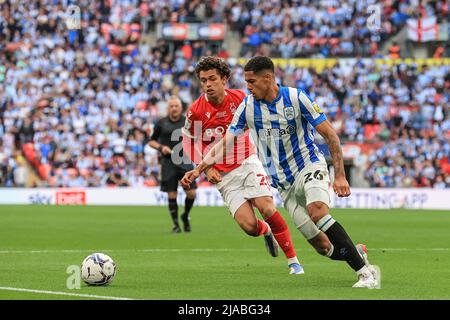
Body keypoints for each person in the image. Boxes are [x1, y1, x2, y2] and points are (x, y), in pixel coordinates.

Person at [182, 56, 381, 288]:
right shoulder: (247, 107)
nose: (247, 87)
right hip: (284, 183)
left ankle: (366, 273)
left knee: (318, 211)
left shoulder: (297, 98)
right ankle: (357, 253)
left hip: (308, 165)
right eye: (246, 82)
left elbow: (330, 135)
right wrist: (198, 170)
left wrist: (339, 175)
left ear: (268, 78)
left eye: (252, 82)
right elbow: (224, 143)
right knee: (323, 247)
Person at [182, 56, 304, 274]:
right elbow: (190, 141)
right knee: (249, 226)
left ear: (224, 79)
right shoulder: (196, 111)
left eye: (212, 79)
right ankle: (266, 232)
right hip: (223, 175)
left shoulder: (241, 99)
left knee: (266, 206)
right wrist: (207, 167)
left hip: (248, 161)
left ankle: (294, 262)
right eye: (203, 80)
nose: (208, 84)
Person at [149, 96, 197, 233]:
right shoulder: (161, 123)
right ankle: (176, 224)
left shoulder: (187, 121)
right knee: (172, 194)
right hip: (168, 162)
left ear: (181, 107)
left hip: (185, 161)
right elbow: (151, 141)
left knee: (192, 193)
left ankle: (185, 215)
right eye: (171, 106)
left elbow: (196, 138)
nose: (174, 108)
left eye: (176, 106)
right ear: (167, 108)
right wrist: (161, 147)